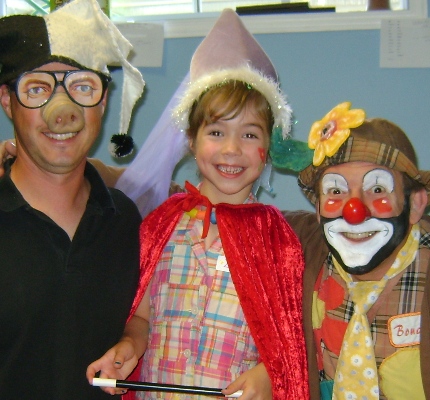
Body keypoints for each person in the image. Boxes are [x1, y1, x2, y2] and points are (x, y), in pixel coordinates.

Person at [87, 9, 309, 400]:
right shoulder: (161, 226)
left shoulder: (277, 240)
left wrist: (268, 376)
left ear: (268, 146)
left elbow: (286, 344)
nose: (231, 149)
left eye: (249, 134)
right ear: (191, 139)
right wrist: (130, 345)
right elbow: (142, 317)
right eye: (217, 132)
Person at [0, 0, 145, 398]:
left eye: (82, 87)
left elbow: (143, 317)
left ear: (103, 101)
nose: (61, 111)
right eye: (37, 89)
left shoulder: (125, 220)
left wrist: (133, 341)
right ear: (7, 100)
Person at [272, 102, 430, 399]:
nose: (354, 210)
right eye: (336, 191)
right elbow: (240, 220)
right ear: (318, 208)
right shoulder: (306, 246)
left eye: (377, 189)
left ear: (415, 204)